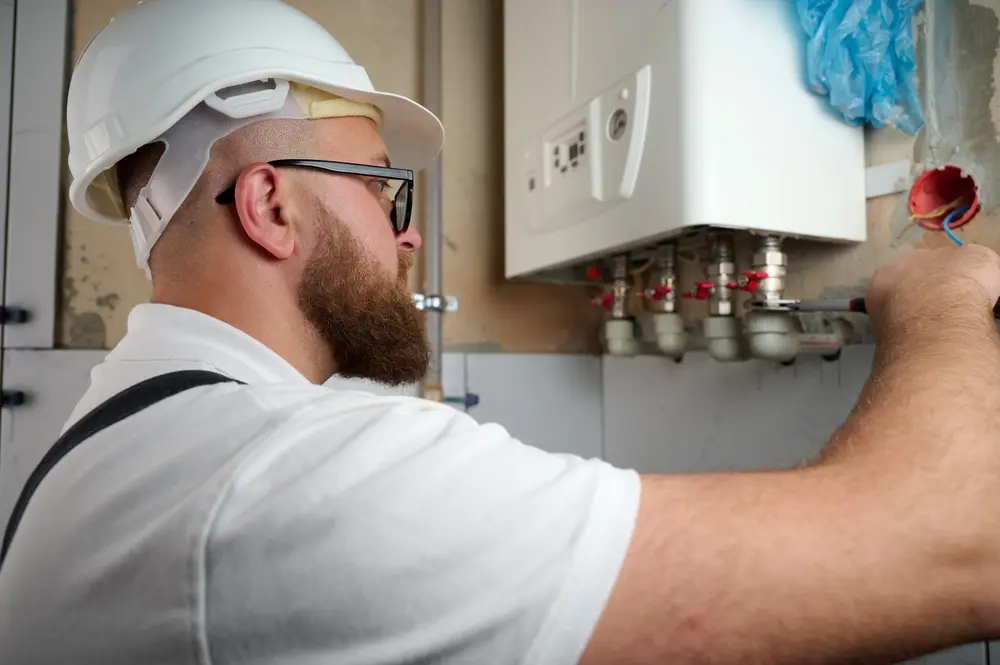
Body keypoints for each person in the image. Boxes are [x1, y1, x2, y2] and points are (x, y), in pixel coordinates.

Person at [1, 1, 1000, 663]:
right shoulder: (277, 482)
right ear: (269, 204)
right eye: (387, 191)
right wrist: (942, 301)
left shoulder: (127, 448)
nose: (409, 237)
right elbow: (960, 540)